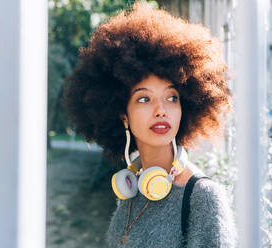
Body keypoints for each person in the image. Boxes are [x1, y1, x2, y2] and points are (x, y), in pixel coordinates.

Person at [63, 1, 237, 247]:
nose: (160, 111)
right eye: (144, 98)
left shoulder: (202, 198)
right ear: (122, 113)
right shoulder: (132, 188)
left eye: (171, 98)